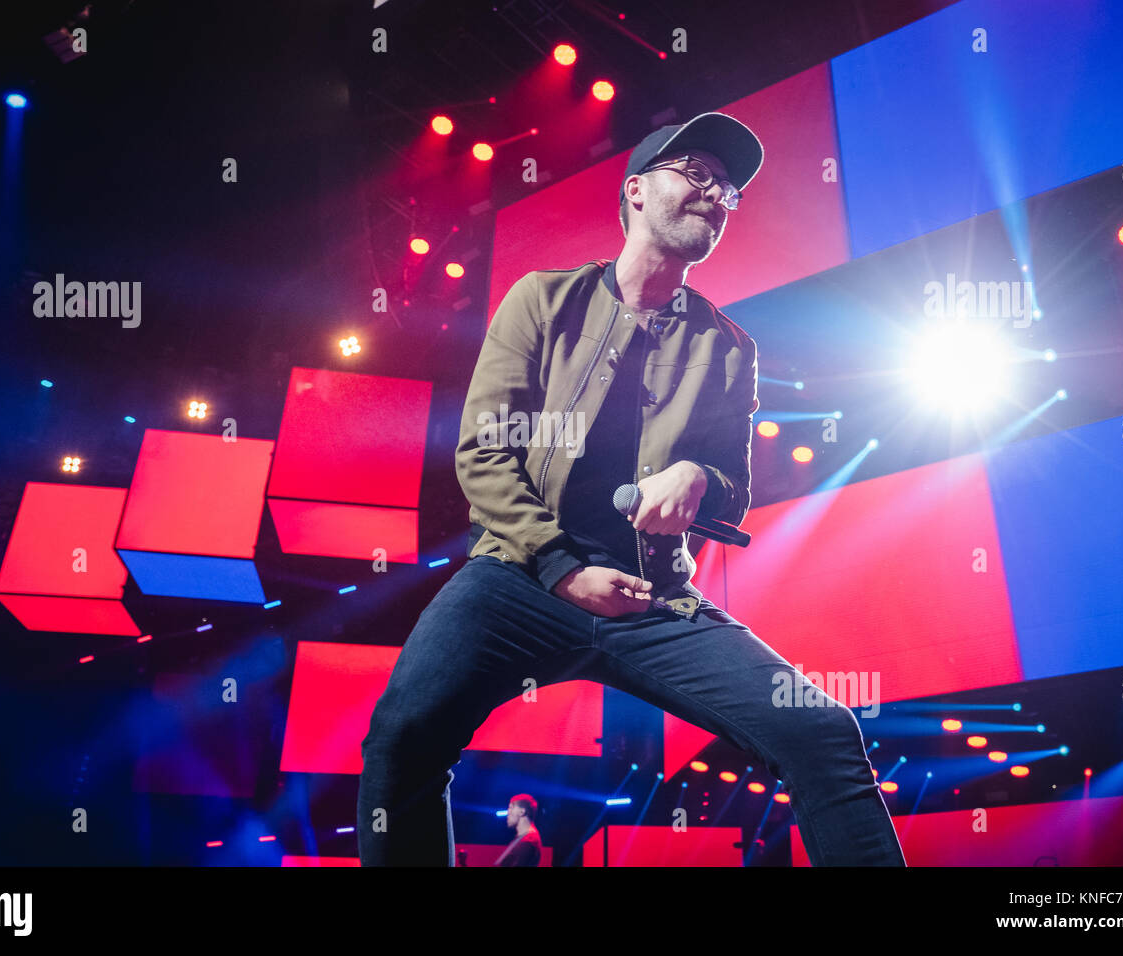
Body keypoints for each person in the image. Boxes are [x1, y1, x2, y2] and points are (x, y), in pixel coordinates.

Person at [357, 112, 906, 867]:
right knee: (402, 738)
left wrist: (697, 478)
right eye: (698, 174)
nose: (717, 195)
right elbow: (486, 452)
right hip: (520, 575)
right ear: (637, 189)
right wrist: (561, 568)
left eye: (729, 190)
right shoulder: (541, 301)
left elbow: (730, 490)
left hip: (653, 599)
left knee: (821, 729)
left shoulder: (728, 348)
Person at [494, 794, 542, 867]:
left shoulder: (529, 841)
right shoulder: (522, 838)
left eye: (511, 807)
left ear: (522, 812)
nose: (508, 813)